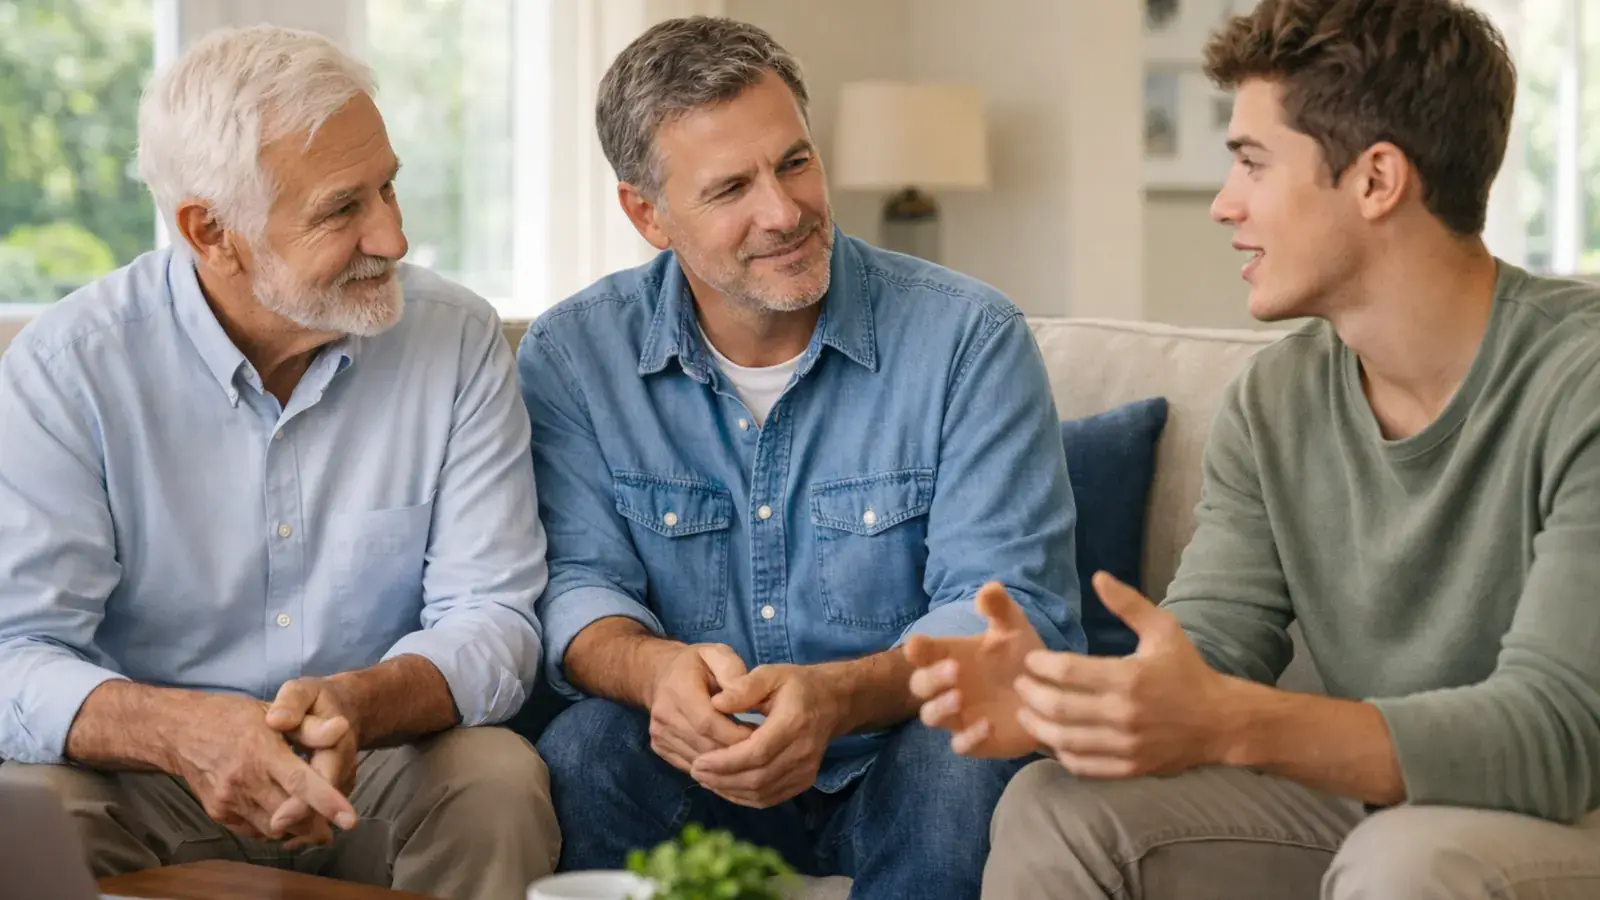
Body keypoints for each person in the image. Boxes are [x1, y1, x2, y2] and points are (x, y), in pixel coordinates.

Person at [908, 1, 1600, 897]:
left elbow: (1555, 739)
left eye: (1250, 162)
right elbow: (1206, 651)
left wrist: (1237, 724)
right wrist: (1059, 700)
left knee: (1408, 865)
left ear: (1377, 178)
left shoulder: (1579, 381)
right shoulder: (1277, 401)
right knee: (1056, 807)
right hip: (1376, 804)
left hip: (1570, 807)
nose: (1224, 204)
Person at [519, 16, 1081, 899]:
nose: (783, 213)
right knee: (585, 748)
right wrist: (655, 669)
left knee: (968, 746)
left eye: (794, 162)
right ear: (646, 213)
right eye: (730, 187)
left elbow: (1012, 612)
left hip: (900, 758)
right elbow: (577, 587)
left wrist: (837, 699)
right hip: (699, 774)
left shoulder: (969, 337)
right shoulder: (571, 358)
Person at [0, 26, 559, 899]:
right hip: (152, 778)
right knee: (27, 807)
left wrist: (355, 704)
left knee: (496, 782)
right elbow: (15, 651)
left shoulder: (456, 340)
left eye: (390, 187)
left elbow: (493, 617)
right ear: (211, 231)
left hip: (377, 763)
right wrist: (182, 731)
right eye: (344, 209)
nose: (395, 237)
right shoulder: (69, 368)